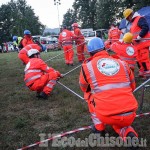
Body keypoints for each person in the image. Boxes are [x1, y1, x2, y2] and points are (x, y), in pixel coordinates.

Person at [79, 37, 138, 141]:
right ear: (105, 49)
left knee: (89, 96)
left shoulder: (87, 67)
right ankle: (129, 133)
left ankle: (99, 129)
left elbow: (84, 88)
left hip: (106, 114)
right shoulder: (123, 63)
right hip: (130, 112)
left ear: (90, 52)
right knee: (120, 123)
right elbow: (133, 86)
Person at [123, 8, 150, 77]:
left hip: (143, 44)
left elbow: (145, 28)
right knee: (139, 60)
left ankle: (147, 73)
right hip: (137, 46)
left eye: (127, 18)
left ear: (130, 15)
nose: (127, 20)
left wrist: (139, 37)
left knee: (144, 59)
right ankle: (142, 71)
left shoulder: (139, 19)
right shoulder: (133, 23)